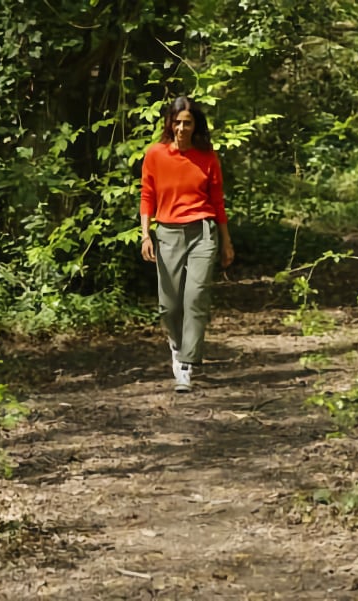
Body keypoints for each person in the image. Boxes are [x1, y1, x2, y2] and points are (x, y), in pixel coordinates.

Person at [139, 96, 234, 392]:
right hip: (167, 232)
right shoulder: (155, 154)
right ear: (169, 123)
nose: (181, 128)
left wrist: (226, 241)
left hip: (203, 232)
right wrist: (146, 234)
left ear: (195, 126)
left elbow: (217, 201)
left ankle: (186, 365)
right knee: (168, 304)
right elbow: (147, 196)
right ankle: (177, 346)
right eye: (177, 122)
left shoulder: (207, 157)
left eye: (187, 123)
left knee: (196, 297)